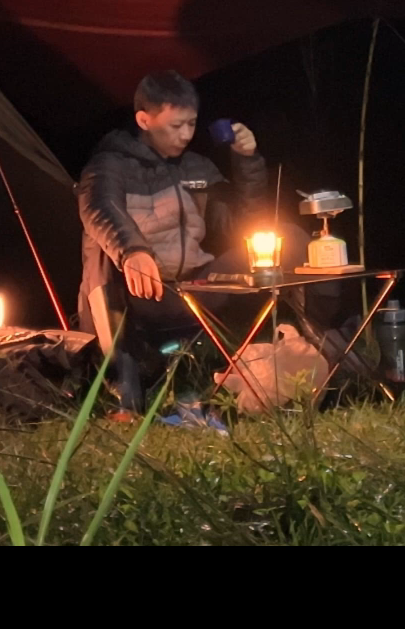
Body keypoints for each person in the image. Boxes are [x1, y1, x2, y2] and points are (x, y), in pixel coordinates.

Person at [76, 69, 343, 419]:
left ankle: (329, 350)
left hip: (192, 289)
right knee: (100, 253)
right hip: (137, 298)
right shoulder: (109, 164)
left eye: (191, 124)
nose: (186, 135)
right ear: (144, 119)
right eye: (176, 126)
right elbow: (98, 206)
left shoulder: (196, 168)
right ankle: (128, 396)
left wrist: (246, 160)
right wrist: (133, 251)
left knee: (288, 237)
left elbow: (242, 221)